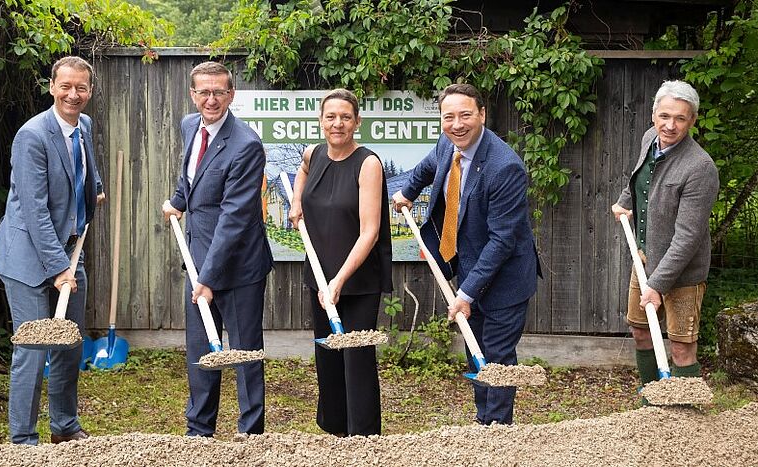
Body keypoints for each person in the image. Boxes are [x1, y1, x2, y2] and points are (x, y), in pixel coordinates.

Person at [392, 83, 539, 425]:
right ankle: (482, 422)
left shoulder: (505, 167)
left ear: (482, 115)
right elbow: (429, 167)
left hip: (505, 278)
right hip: (469, 265)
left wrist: (466, 293)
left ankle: (497, 431)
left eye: (465, 115)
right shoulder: (448, 143)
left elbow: (502, 241)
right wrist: (408, 192)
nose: (457, 124)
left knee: (497, 357)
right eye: (449, 116)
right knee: (476, 350)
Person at [0, 56, 105, 445]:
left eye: (81, 87)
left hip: (69, 252)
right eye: (66, 86)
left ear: (90, 90)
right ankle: (23, 439)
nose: (74, 94)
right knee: (34, 348)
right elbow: (35, 211)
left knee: (69, 343)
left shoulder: (83, 125)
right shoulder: (32, 135)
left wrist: (94, 190)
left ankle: (65, 427)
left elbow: (84, 169)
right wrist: (58, 269)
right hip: (27, 257)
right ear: (52, 87)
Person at [161, 61, 273, 436]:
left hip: (239, 266)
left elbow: (235, 217)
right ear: (193, 94)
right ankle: (200, 430)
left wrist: (208, 277)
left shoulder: (246, 145)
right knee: (200, 352)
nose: (211, 99)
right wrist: (178, 200)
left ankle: (250, 432)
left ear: (231, 95)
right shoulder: (189, 126)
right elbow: (189, 175)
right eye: (203, 92)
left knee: (243, 353)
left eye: (218, 92)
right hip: (198, 257)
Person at [288, 88, 392, 436]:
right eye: (330, 117)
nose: (338, 123)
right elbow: (302, 172)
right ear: (321, 121)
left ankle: (363, 439)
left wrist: (339, 281)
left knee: (355, 359)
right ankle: (334, 432)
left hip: (358, 281)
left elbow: (370, 233)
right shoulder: (313, 154)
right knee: (328, 358)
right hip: (320, 275)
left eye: (345, 117)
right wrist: (296, 202)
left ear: (357, 122)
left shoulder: (368, 164)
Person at [611, 80, 718, 397]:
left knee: (682, 347)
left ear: (692, 120)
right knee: (640, 333)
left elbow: (687, 238)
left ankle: (684, 419)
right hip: (644, 259)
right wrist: (624, 203)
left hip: (682, 274)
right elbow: (639, 180)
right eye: (665, 116)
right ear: (654, 114)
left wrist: (657, 286)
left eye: (680, 118)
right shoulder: (650, 140)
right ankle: (652, 402)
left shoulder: (700, 168)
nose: (670, 126)